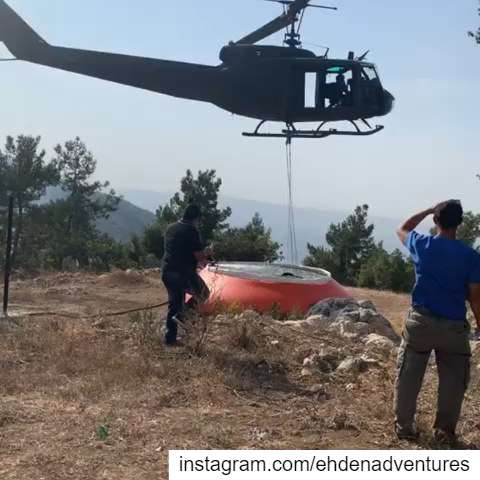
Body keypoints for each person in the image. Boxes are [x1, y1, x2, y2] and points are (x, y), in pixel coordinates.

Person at [394, 200, 480, 444]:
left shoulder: (422, 244)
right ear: (460, 223)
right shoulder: (471, 257)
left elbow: (402, 228)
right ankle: (444, 431)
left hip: (420, 322)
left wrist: (428, 210)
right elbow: (475, 298)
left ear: (435, 221)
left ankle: (405, 427)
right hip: (453, 327)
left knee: (409, 374)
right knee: (453, 381)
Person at [161, 204, 211, 346]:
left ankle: (170, 339)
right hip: (183, 273)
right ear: (196, 218)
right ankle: (184, 316)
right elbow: (199, 256)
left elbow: (178, 249)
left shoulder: (171, 227)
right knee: (203, 293)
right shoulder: (191, 231)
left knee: (174, 304)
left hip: (167, 271)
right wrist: (208, 253)